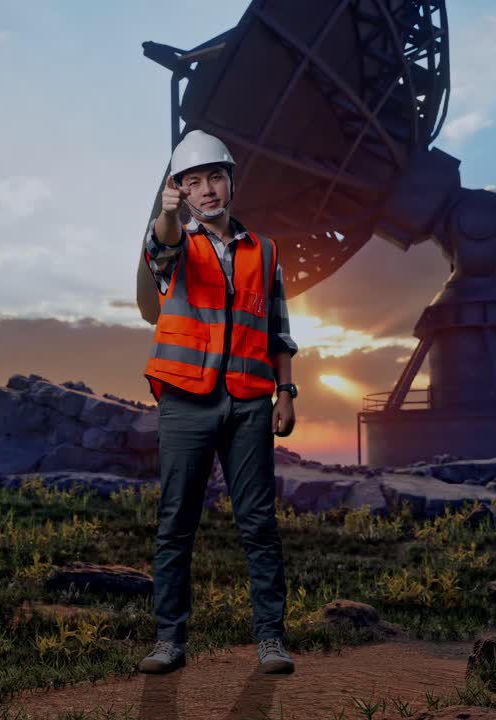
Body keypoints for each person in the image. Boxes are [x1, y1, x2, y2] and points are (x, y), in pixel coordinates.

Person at [136, 129, 300, 675]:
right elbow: (161, 247)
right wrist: (165, 215)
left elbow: (278, 330)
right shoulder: (175, 244)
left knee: (259, 523)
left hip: (250, 402)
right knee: (176, 523)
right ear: (181, 191)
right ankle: (169, 640)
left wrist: (286, 392)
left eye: (214, 177)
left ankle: (271, 639)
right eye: (192, 182)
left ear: (231, 181)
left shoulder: (266, 252)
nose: (206, 190)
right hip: (187, 401)